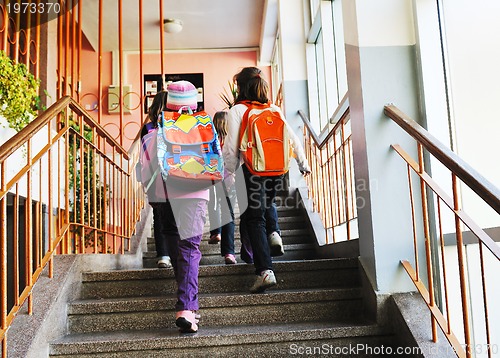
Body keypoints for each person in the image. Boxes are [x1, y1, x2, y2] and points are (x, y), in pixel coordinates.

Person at [223, 67, 310, 293]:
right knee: (267, 206)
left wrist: (228, 173)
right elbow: (292, 139)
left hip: (251, 171)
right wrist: (303, 163)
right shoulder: (274, 109)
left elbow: (231, 149)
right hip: (277, 171)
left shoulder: (237, 111)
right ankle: (275, 234)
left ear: (241, 87)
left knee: (254, 220)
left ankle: (265, 271)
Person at [141, 80, 210, 333]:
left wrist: (153, 198)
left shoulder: (153, 133)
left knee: (175, 244)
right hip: (195, 193)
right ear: (193, 104)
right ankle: (186, 307)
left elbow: (144, 170)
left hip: (163, 195)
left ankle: (186, 303)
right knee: (190, 249)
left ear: (168, 103)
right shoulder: (204, 129)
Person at [139, 91, 172, 269]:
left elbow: (143, 157)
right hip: (176, 177)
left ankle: (163, 255)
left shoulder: (148, 128)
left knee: (159, 216)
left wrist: (145, 182)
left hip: (154, 177)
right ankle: (178, 252)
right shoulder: (178, 127)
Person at [207, 111, 238, 264]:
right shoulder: (232, 140)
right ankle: (229, 252)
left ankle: (215, 232)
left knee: (213, 206)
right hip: (229, 179)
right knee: (229, 214)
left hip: (213, 178)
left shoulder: (210, 139)